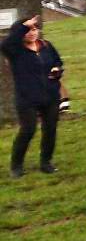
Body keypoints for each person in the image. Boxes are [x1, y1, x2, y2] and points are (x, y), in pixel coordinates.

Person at [4, 16, 65, 177]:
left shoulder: (46, 46)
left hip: (50, 95)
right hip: (27, 98)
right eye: (28, 30)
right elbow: (5, 44)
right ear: (20, 33)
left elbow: (58, 62)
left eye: (34, 29)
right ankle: (16, 166)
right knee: (28, 130)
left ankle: (46, 162)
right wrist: (24, 26)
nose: (32, 33)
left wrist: (57, 71)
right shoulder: (15, 51)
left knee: (50, 129)